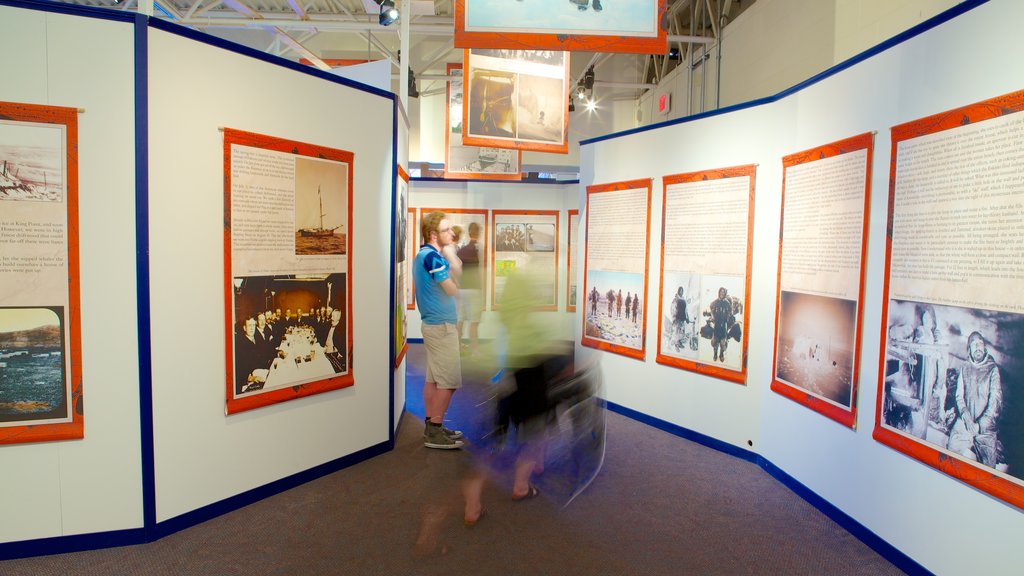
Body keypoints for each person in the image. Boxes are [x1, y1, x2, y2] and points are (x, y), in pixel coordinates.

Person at [413, 211, 464, 449]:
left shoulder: (424, 255)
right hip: (441, 327)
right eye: (446, 230)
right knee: (449, 380)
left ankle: (433, 424)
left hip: (434, 325)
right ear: (433, 234)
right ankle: (434, 429)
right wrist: (453, 261)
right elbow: (452, 289)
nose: (451, 234)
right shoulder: (432, 257)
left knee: (434, 379)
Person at [947, 331, 1004, 467]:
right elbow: (959, 396)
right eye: (974, 345)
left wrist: (980, 425)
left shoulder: (992, 369)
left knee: (988, 467)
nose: (977, 347)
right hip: (965, 421)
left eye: (980, 344)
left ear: (984, 347)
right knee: (951, 449)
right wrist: (965, 416)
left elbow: (995, 404)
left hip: (985, 428)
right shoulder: (965, 367)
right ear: (969, 350)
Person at [456, 222, 485, 354]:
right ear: (478, 233)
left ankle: (457, 347)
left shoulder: (461, 250)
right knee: (474, 322)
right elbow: (480, 271)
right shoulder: (479, 249)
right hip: (474, 289)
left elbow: (457, 271)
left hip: (461, 289)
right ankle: (475, 350)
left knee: (460, 319)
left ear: (469, 232)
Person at [709, 287, 734, 363]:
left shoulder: (727, 303)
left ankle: (721, 354)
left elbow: (730, 311)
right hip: (716, 325)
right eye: (721, 292)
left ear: (725, 294)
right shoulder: (715, 302)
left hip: (724, 325)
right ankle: (715, 353)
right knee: (715, 341)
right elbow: (711, 306)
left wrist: (728, 317)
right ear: (719, 293)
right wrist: (713, 315)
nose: (722, 294)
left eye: (723, 293)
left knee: (723, 342)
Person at [322, 309, 346, 373]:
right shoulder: (329, 324)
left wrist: (339, 353)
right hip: (325, 349)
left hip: (332, 354)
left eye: (333, 316)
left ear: (338, 318)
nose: (331, 318)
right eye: (332, 316)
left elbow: (342, 347)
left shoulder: (341, 330)